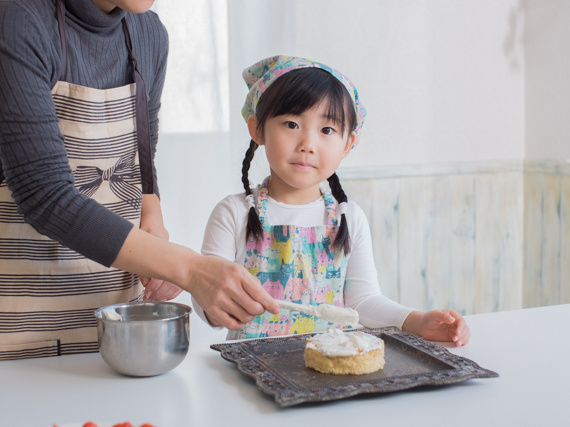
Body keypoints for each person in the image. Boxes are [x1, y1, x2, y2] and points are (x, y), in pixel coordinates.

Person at [0, 0, 278, 361]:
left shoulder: (148, 34)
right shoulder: (17, 21)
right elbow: (45, 196)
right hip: (18, 337)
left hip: (114, 331)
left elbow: (139, 168)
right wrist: (187, 268)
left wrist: (154, 233)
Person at [194, 55, 470, 345]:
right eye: (291, 124)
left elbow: (363, 302)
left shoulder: (348, 218)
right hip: (249, 374)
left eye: (326, 130)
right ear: (257, 129)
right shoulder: (233, 213)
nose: (307, 145)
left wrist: (417, 321)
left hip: (333, 368)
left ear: (348, 144)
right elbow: (205, 292)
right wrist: (218, 307)